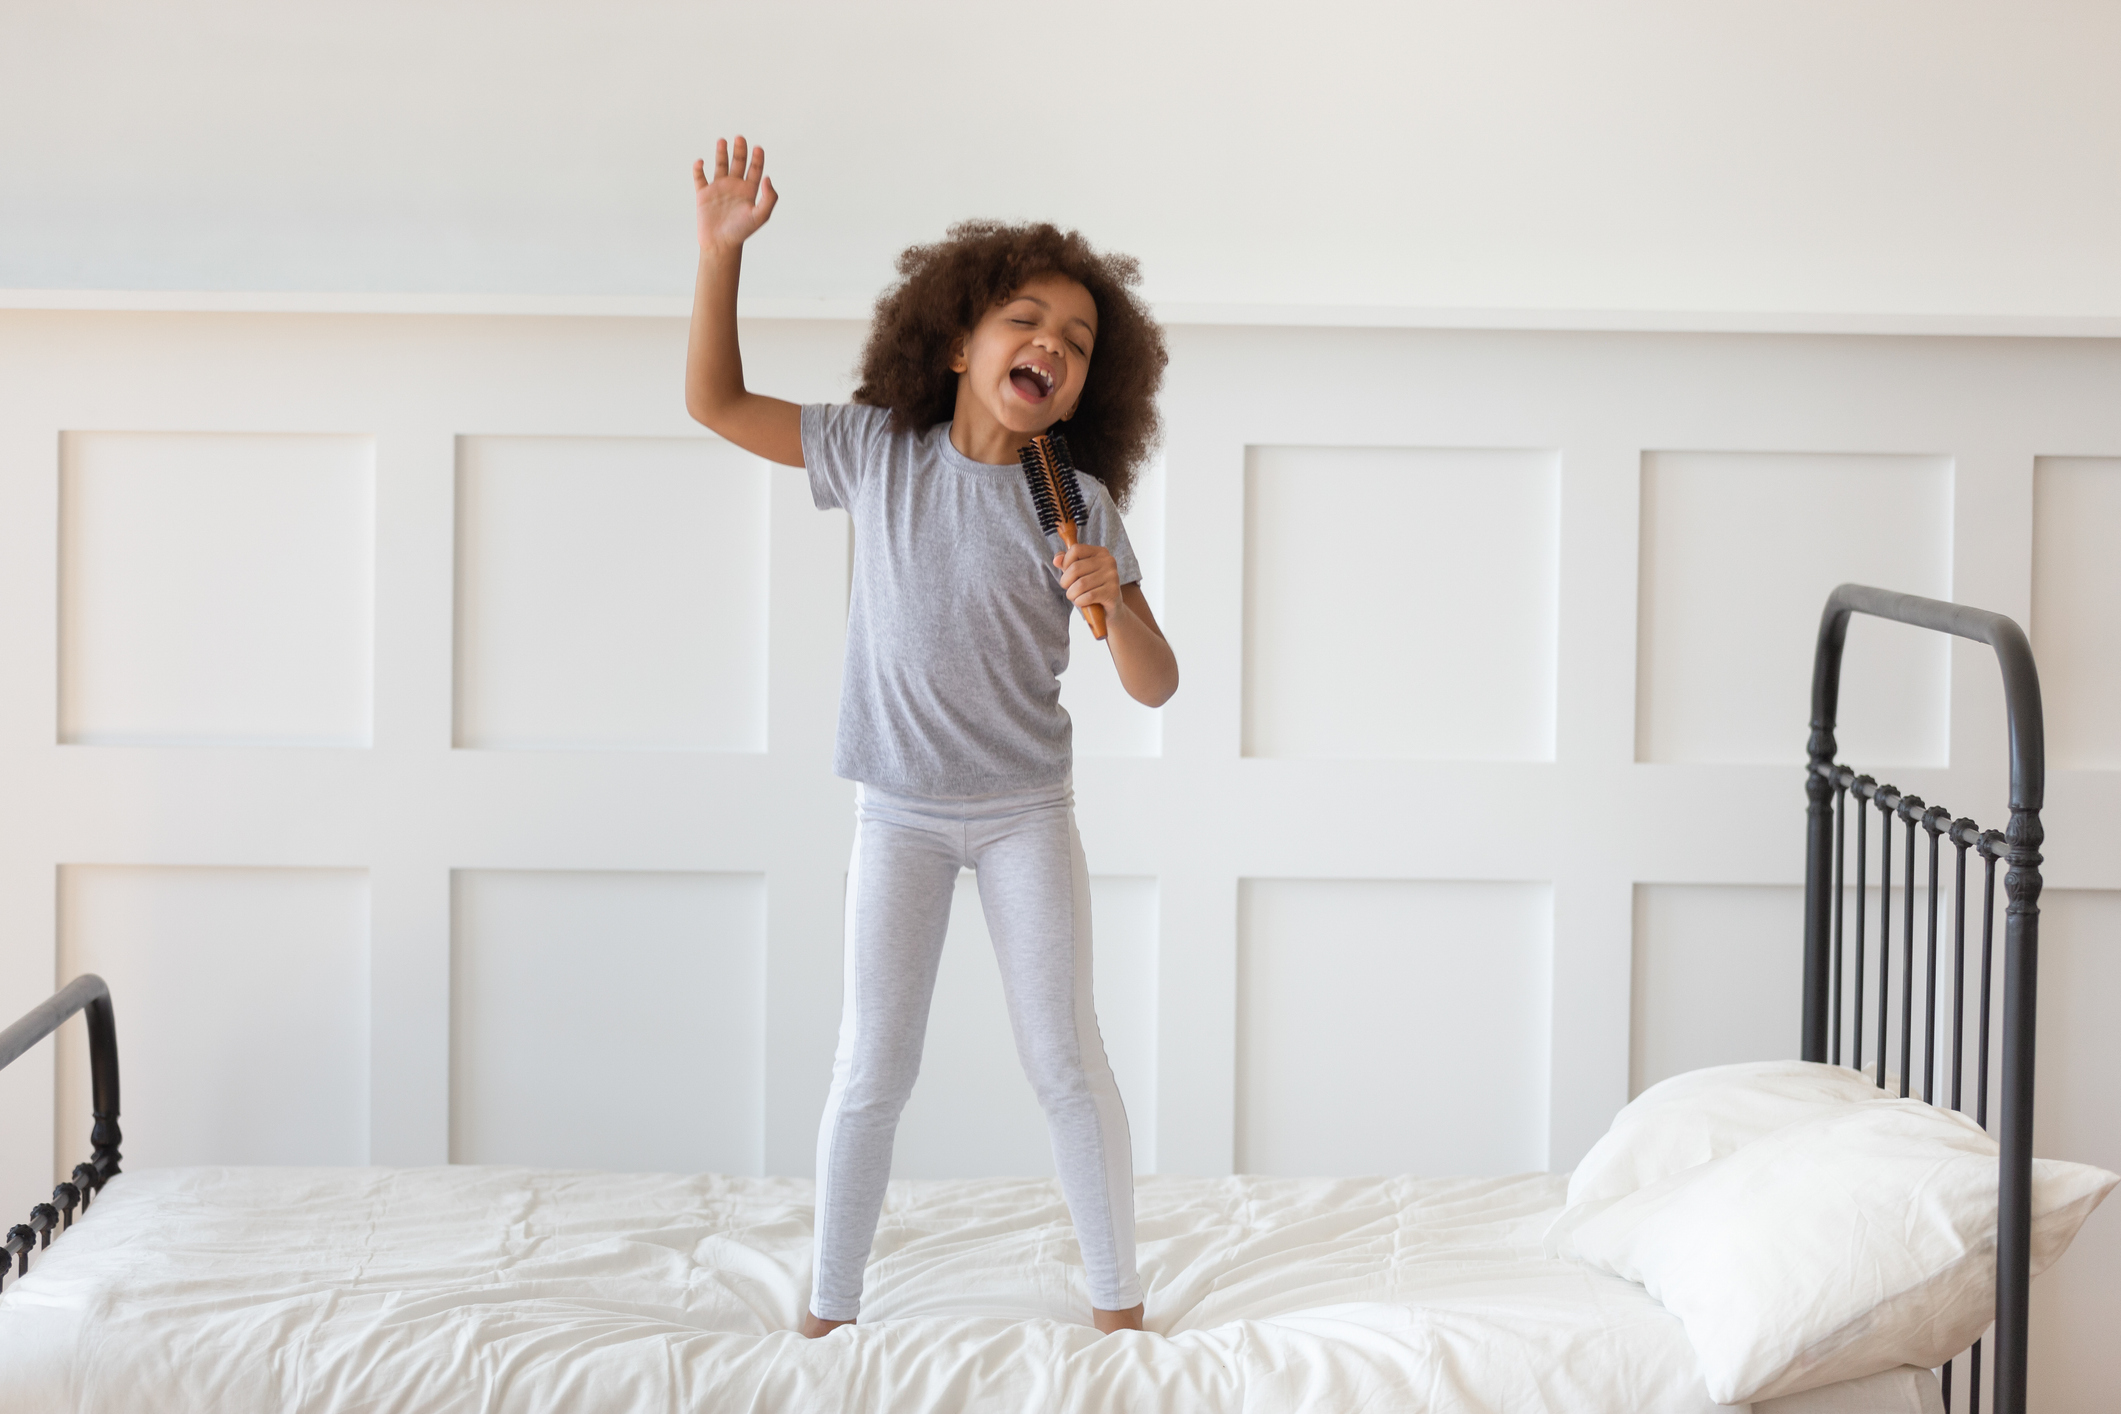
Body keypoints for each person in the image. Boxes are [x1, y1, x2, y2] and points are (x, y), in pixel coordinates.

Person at [684, 137, 1178, 1338]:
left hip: (1023, 815)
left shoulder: (1076, 504)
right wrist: (718, 260)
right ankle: (830, 1310)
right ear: (959, 343)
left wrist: (1108, 596)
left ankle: (1119, 1303)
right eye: (1027, 320)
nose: (1053, 344)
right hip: (897, 812)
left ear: (1080, 388)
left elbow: (1156, 685)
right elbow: (714, 402)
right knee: (871, 1070)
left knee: (1067, 1061)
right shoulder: (874, 451)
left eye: (1077, 339)